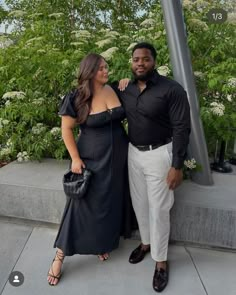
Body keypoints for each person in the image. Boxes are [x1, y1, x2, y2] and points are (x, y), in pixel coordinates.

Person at [47, 53, 131, 286]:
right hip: (90, 159)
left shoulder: (115, 89)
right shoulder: (77, 96)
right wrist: (74, 158)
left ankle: (100, 244)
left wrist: (125, 82)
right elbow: (66, 130)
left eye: (107, 67)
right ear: (90, 71)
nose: (107, 71)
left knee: (109, 204)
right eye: (102, 68)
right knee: (80, 206)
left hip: (118, 160)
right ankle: (60, 256)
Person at [113, 42, 191, 293]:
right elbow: (98, 91)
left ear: (153, 61)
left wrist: (176, 165)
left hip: (160, 154)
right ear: (131, 62)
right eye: (136, 59)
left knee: (159, 209)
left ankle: (160, 262)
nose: (140, 63)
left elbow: (182, 128)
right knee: (140, 204)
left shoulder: (171, 89)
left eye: (145, 59)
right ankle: (146, 244)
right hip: (134, 154)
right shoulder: (126, 88)